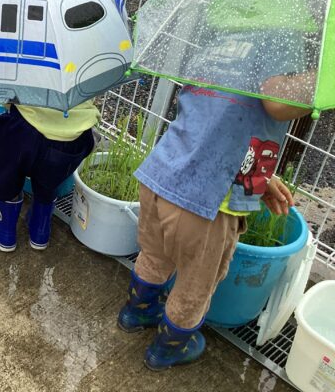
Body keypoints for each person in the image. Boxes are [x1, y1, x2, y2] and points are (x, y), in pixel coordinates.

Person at [116, 66, 314, 370]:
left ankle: (136, 312)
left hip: (161, 177)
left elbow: (222, 126)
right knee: (195, 287)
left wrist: (262, 180)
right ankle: (168, 349)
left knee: (154, 256)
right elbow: (277, 104)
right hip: (207, 206)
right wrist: (319, 77)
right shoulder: (281, 50)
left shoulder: (217, 42)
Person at [0, 100, 98, 252]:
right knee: (50, 179)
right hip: (76, 136)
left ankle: (4, 231)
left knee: (7, 175)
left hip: (25, 130)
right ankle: (40, 231)